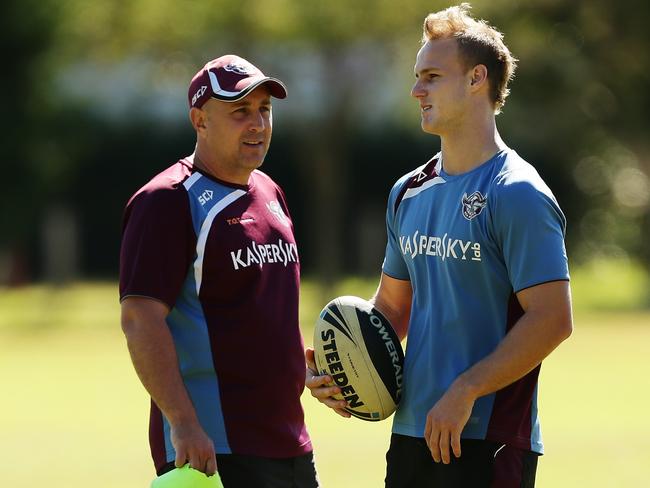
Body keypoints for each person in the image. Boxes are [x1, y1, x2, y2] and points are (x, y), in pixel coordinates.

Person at [306, 4, 573, 487]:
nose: (416, 90)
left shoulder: (517, 192)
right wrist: (342, 366)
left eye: (431, 76)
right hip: (413, 431)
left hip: (489, 437)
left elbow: (553, 319)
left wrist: (466, 390)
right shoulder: (408, 191)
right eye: (416, 77)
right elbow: (391, 308)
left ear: (476, 79)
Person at [120, 54, 318, 487]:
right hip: (214, 446)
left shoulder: (270, 192)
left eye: (265, 110)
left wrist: (308, 373)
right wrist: (183, 422)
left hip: (288, 441)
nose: (258, 124)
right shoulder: (167, 201)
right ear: (200, 120)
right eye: (240, 111)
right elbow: (140, 320)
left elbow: (266, 312)